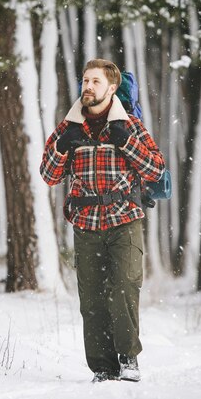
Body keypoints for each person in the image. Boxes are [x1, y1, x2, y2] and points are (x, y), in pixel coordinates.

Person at [40, 58, 165, 383]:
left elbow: (155, 169)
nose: (88, 87)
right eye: (85, 81)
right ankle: (103, 368)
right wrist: (61, 150)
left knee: (124, 287)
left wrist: (126, 141)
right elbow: (48, 175)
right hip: (86, 224)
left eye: (95, 82)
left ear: (111, 89)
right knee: (92, 299)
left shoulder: (129, 126)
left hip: (124, 219)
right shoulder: (68, 128)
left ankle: (128, 359)